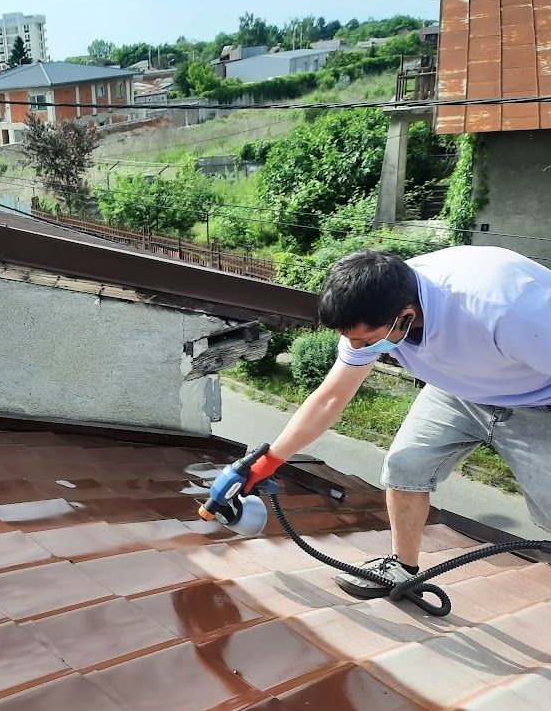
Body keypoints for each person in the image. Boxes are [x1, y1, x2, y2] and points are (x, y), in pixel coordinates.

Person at [204, 246, 551, 599]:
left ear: (405, 317)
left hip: (539, 401)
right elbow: (330, 398)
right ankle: (402, 567)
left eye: (366, 341)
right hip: (457, 387)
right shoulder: (374, 303)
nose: (357, 348)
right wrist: (270, 461)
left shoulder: (508, 309)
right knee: (404, 468)